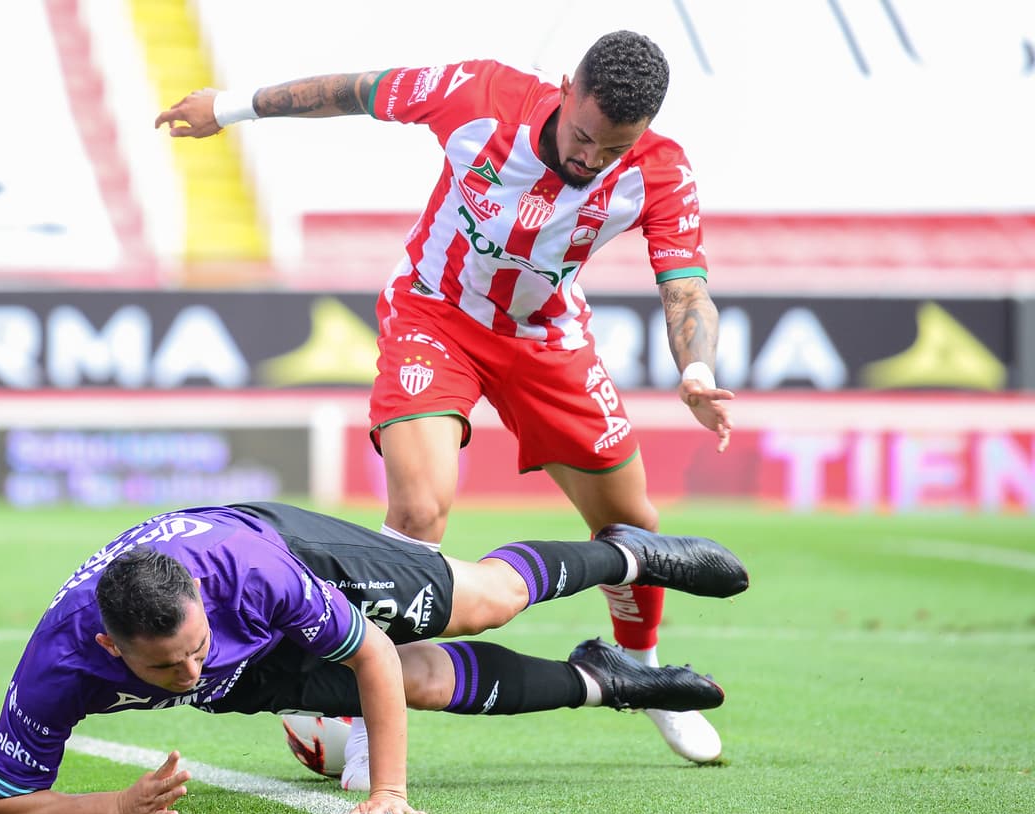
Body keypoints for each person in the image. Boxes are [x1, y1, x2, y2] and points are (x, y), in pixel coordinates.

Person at [155, 31, 736, 765]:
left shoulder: (660, 170)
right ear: (564, 86)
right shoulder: (478, 96)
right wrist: (230, 108)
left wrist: (695, 368)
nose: (590, 158)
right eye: (582, 135)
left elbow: (686, 288)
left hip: (545, 334)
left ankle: (642, 672)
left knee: (632, 525)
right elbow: (355, 89)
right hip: (435, 314)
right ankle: (373, 715)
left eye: (611, 148)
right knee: (420, 509)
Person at [0, 501, 748, 814]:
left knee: (484, 600)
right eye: (167, 670)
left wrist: (390, 789)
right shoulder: (59, 667)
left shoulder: (249, 574)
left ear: (203, 605)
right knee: (427, 683)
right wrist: (115, 802)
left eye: (196, 649)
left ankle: (625, 552)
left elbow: (369, 648)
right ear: (111, 649)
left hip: (294, 552)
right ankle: (603, 677)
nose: (188, 674)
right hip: (251, 670)